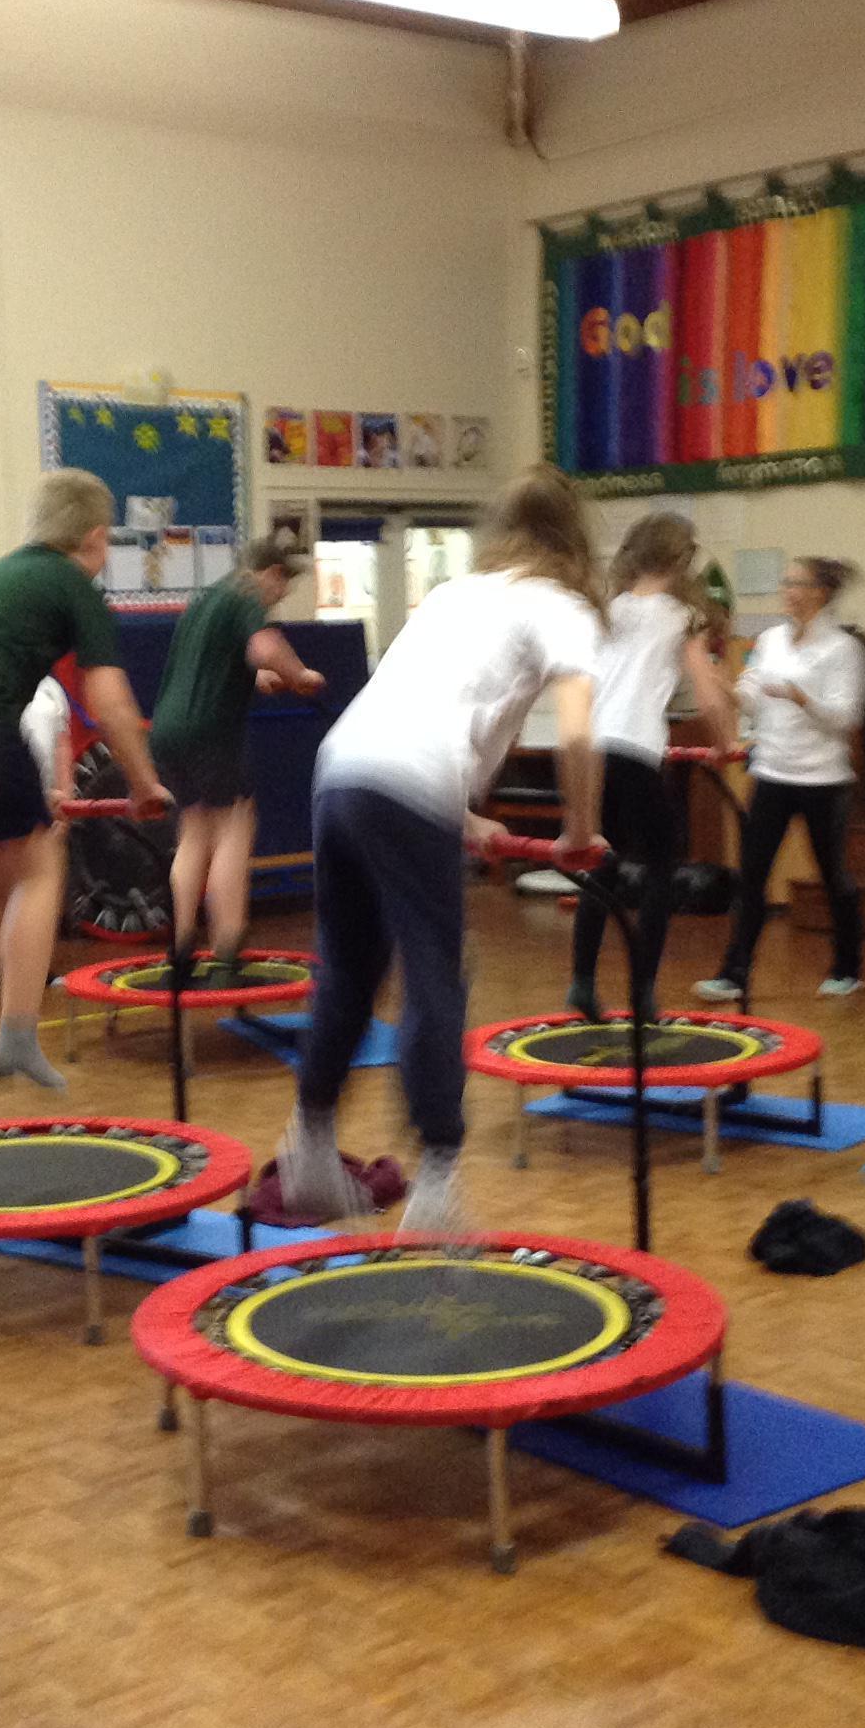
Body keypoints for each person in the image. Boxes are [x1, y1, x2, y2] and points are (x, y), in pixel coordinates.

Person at [274, 466, 605, 1236]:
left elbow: (417, 707)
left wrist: (461, 816)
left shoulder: (457, 593)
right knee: (434, 976)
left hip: (341, 771)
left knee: (349, 968)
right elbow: (578, 731)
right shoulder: (561, 608)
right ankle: (435, 1186)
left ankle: (309, 1152)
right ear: (573, 538)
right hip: (410, 783)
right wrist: (580, 831)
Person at [0, 470, 167, 1087]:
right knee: (41, 866)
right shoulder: (71, 585)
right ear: (94, 538)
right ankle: (17, 1034)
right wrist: (144, 782)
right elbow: (109, 699)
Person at [570, 510, 736, 1022]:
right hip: (636, 748)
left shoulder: (610, 609)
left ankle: (582, 982)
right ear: (682, 561)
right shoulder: (682, 616)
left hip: (593, 747)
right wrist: (726, 743)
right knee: (663, 865)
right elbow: (708, 694)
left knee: (601, 863)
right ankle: (643, 989)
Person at [695, 557, 865, 1006]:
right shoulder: (770, 640)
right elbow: (754, 699)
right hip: (771, 772)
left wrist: (799, 696)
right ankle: (734, 973)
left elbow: (846, 718)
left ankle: (847, 969)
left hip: (824, 779)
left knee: (833, 875)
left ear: (821, 592)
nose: (787, 590)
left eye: (797, 583)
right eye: (786, 581)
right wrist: (727, 689)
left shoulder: (844, 650)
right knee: (751, 875)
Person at [148, 537, 327, 970]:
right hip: (210, 731)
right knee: (234, 824)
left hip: (166, 731)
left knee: (195, 829)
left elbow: (242, 667)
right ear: (273, 573)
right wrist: (300, 674)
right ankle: (228, 945)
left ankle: (182, 940)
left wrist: (272, 679)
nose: (276, 600)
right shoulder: (247, 593)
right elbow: (264, 648)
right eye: (281, 590)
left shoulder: (205, 601)